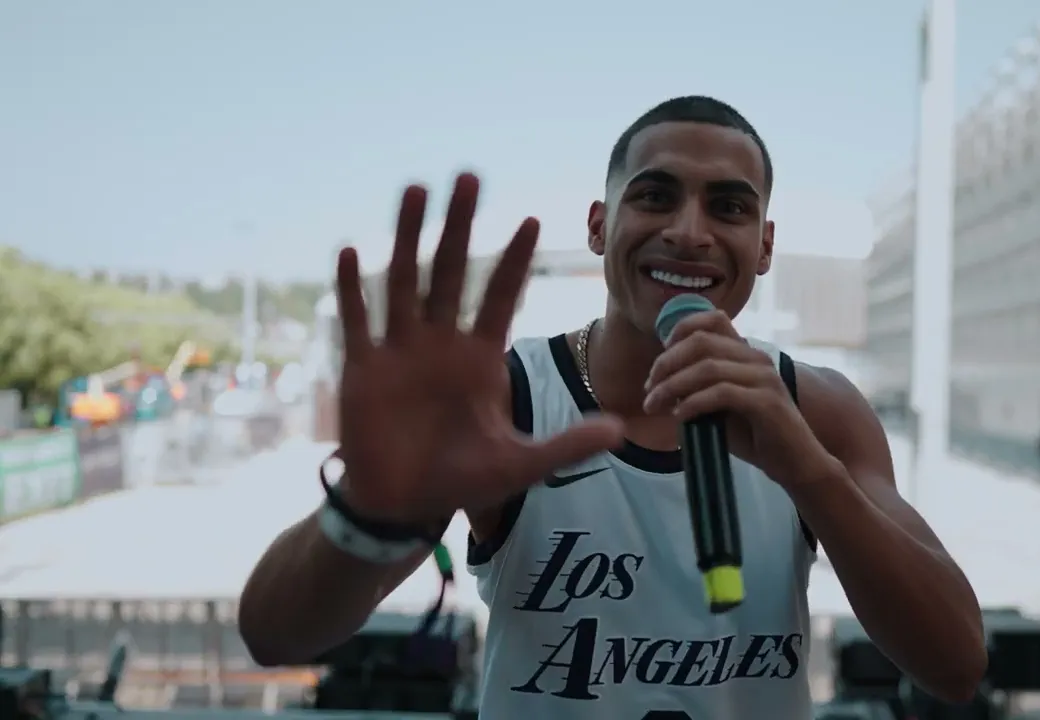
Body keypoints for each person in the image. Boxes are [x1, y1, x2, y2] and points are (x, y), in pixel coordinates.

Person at [238, 96, 987, 718]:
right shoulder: (512, 398)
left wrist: (809, 473)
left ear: (763, 246)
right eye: (655, 196)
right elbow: (275, 635)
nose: (688, 232)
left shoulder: (816, 410)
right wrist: (369, 511)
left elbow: (957, 665)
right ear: (598, 226)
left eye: (728, 207)